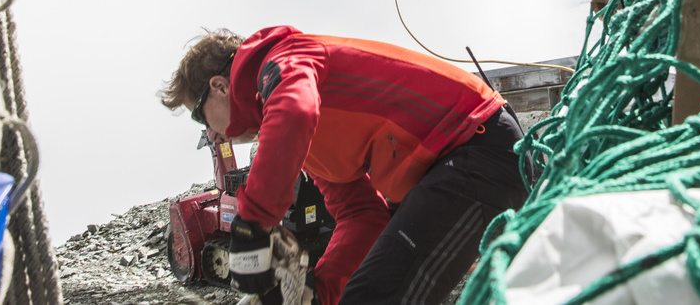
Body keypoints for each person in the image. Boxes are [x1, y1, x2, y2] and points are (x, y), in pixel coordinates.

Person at [159, 26, 529, 305]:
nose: (210, 134)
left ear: (220, 87)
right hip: (458, 166)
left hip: (477, 146)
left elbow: (294, 111)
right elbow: (361, 215)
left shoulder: (284, 60)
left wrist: (253, 223)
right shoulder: (304, 139)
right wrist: (318, 290)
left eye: (200, 118)